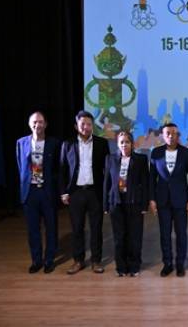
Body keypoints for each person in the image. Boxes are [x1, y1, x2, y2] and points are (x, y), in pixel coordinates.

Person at [60, 110, 110, 274]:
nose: (86, 127)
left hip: (95, 192)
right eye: (83, 124)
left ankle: (96, 261)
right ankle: (78, 261)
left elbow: (107, 171)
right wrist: (63, 192)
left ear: (92, 126)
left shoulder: (102, 143)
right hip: (75, 192)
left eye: (89, 124)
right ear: (76, 126)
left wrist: (107, 192)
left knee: (96, 228)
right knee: (77, 229)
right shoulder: (67, 144)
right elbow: (62, 169)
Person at [15, 111, 61, 274]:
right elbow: (21, 167)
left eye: (40, 122)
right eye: (34, 122)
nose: (37, 125)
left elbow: (58, 168)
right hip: (30, 192)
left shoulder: (54, 143)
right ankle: (36, 260)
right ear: (30, 124)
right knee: (33, 229)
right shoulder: (21, 143)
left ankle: (49, 260)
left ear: (45, 124)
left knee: (51, 227)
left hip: (47, 191)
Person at [149, 123, 188, 277]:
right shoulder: (156, 153)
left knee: (181, 234)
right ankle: (167, 263)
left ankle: (180, 264)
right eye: (167, 133)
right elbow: (151, 178)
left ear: (178, 135)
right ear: (163, 135)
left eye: (174, 133)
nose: (170, 136)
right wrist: (152, 199)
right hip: (162, 200)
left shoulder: (186, 153)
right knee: (165, 234)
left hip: (181, 200)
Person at [103, 131, 149, 277]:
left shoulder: (140, 159)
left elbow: (145, 183)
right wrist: (105, 205)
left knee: (134, 236)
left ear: (132, 144)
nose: (124, 145)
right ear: (118, 144)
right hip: (116, 203)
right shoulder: (110, 159)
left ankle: (134, 266)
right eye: (121, 142)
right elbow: (106, 183)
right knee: (119, 237)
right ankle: (121, 267)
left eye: (127, 142)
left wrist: (144, 205)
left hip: (134, 202)